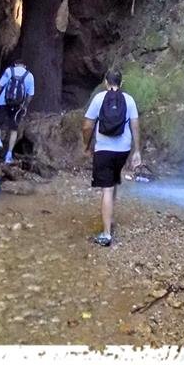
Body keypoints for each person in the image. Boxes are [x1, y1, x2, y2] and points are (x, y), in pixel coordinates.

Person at [82, 69, 141, 246]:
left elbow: (87, 125)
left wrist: (86, 145)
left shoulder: (99, 99)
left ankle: (106, 234)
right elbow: (135, 126)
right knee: (114, 181)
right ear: (121, 83)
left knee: (106, 188)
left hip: (104, 150)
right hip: (123, 150)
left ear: (106, 83)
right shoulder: (129, 100)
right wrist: (137, 150)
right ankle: (110, 217)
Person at [0, 59, 35, 164]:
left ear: (16, 64)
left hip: (3, 102)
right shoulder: (30, 76)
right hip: (18, 105)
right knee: (13, 129)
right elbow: (30, 95)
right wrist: (25, 106)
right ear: (25, 66)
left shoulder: (9, 71)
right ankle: (8, 155)